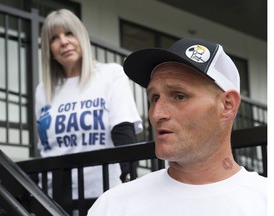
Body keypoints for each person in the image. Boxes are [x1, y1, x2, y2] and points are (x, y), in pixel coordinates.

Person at [87, 38, 267, 216]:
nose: (157, 114)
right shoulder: (113, 205)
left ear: (227, 105)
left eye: (179, 96)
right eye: (154, 98)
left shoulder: (264, 201)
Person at [35, 9, 143, 200]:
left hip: (105, 196)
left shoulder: (110, 75)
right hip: (56, 199)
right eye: (54, 38)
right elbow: (45, 147)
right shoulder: (43, 90)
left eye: (69, 33)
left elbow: (123, 129)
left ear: (81, 37)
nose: (64, 41)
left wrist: (130, 176)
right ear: (48, 49)